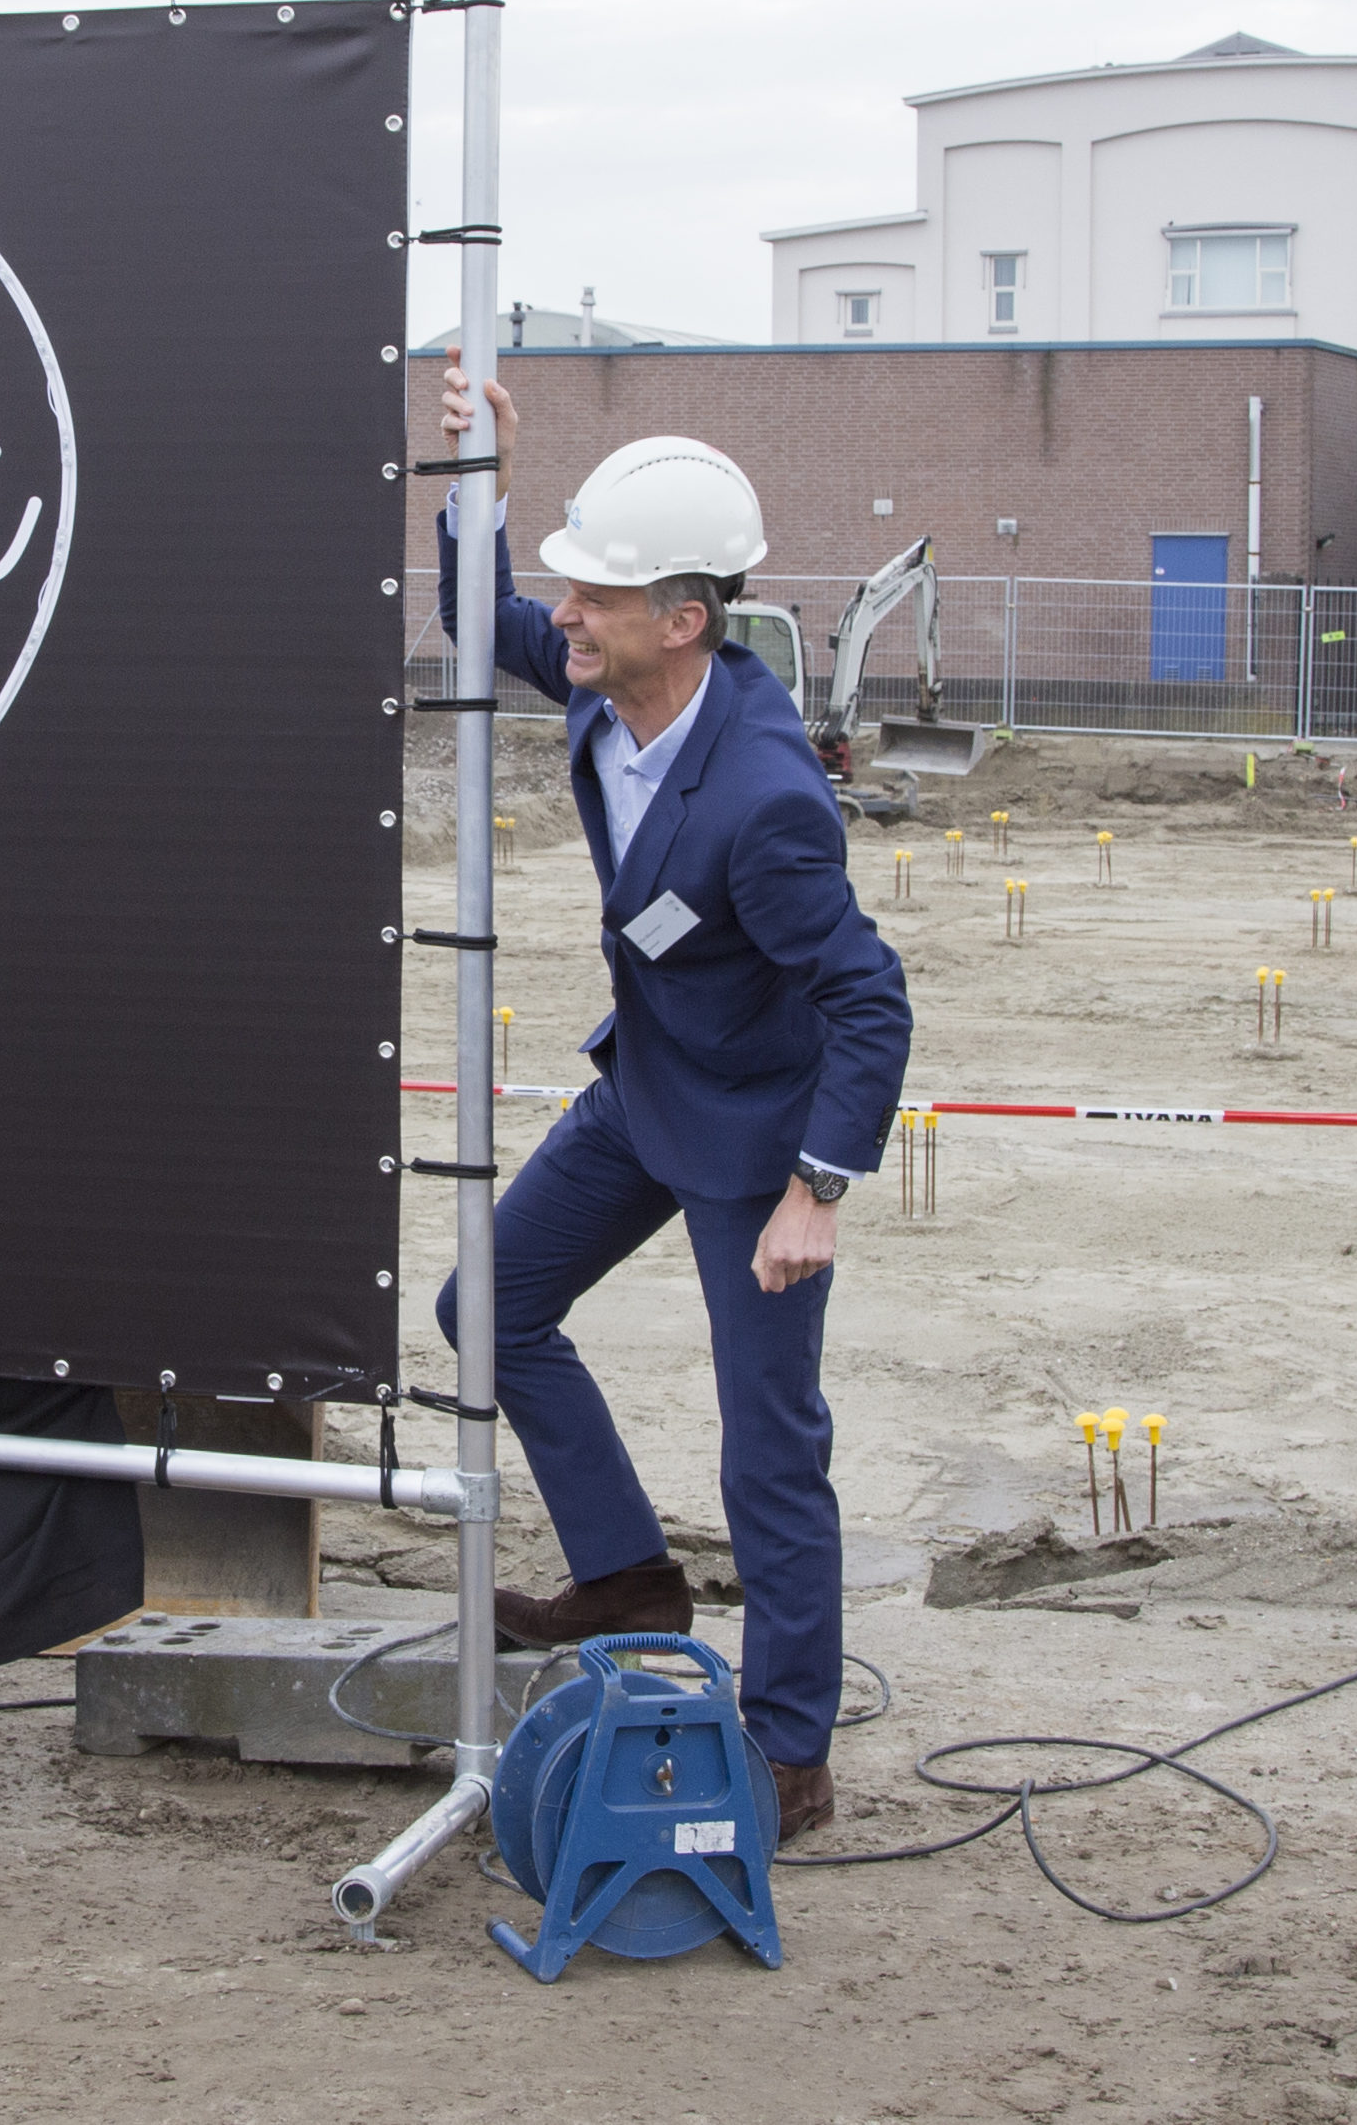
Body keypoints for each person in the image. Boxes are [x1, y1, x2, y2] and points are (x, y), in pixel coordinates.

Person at [432, 358, 910, 1839]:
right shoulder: (612, 685)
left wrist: (812, 1190)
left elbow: (868, 999)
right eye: (565, 590)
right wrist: (485, 479)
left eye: (591, 595)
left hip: (757, 1136)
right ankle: (628, 1577)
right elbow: (477, 613)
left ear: (680, 619)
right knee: (485, 1309)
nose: (559, 615)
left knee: (769, 1444)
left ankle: (787, 1757)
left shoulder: (766, 797)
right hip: (648, 1084)